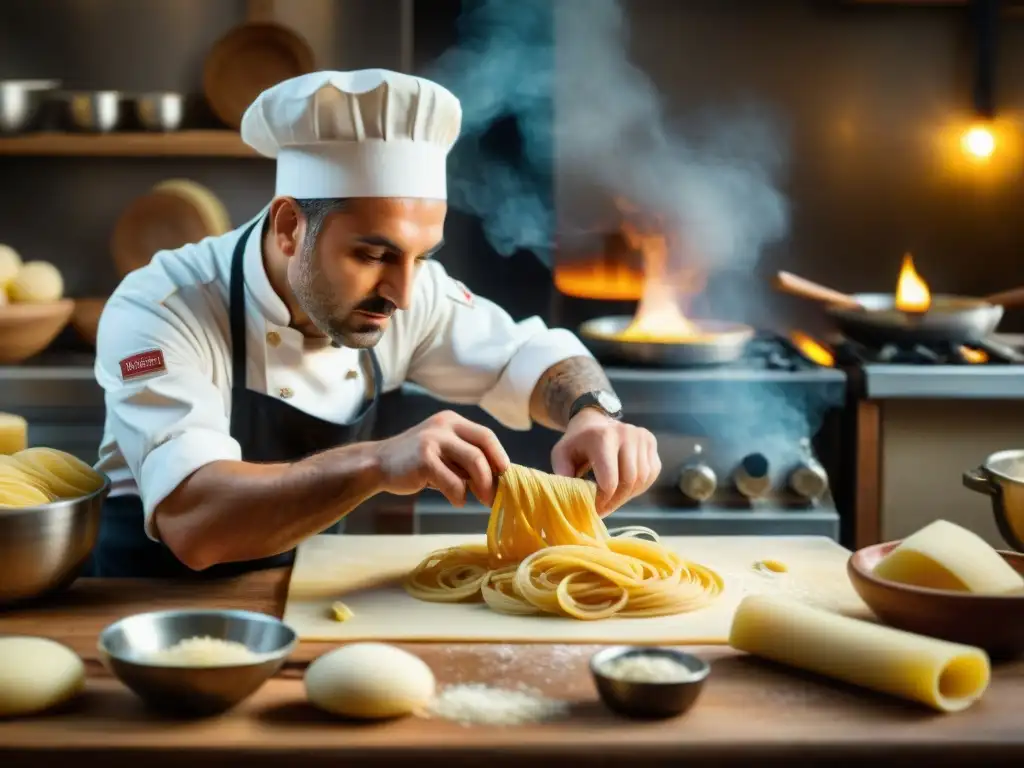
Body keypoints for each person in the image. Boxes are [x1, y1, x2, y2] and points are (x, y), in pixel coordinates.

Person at [89, 69, 660, 579]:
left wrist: (594, 413)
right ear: (291, 226)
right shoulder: (162, 307)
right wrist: (378, 461)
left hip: (304, 600)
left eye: (423, 257)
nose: (404, 294)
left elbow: (527, 355)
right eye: (372, 255)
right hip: (141, 611)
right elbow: (194, 520)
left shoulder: (410, 290)